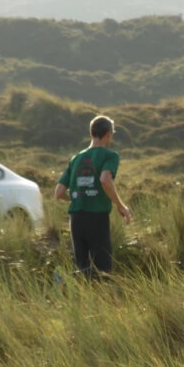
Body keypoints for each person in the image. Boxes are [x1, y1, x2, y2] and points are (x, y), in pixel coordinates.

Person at [54, 115, 131, 279]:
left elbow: (58, 193)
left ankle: (73, 292)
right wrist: (120, 205)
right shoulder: (110, 156)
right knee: (103, 270)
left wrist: (76, 198)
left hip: (76, 219)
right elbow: (105, 179)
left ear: (91, 134)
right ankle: (100, 300)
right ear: (109, 134)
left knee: (83, 270)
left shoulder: (75, 159)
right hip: (96, 217)